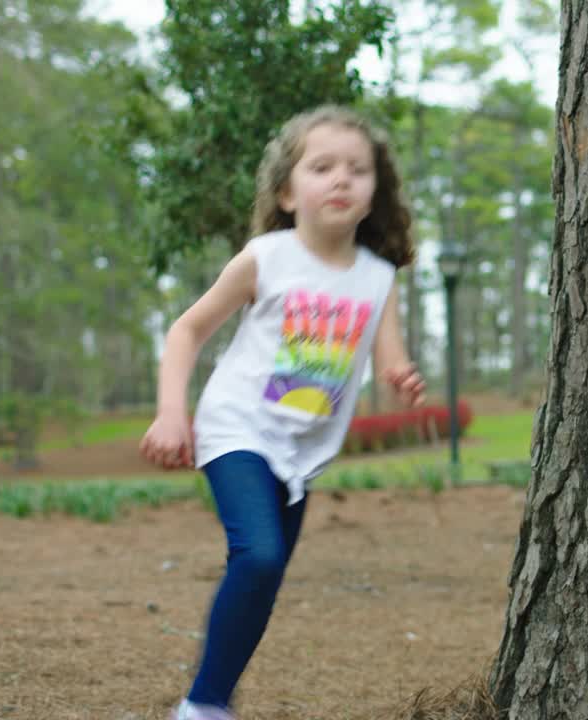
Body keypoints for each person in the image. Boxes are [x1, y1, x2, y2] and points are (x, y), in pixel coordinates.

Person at [139, 106, 426, 720]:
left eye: (358, 169)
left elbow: (390, 354)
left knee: (262, 575)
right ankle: (202, 708)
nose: (342, 179)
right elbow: (187, 331)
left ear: (377, 191)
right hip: (235, 428)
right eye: (322, 167)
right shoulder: (265, 257)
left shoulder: (378, 278)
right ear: (287, 192)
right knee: (261, 556)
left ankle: (211, 698)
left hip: (303, 451)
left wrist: (402, 376)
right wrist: (171, 413)